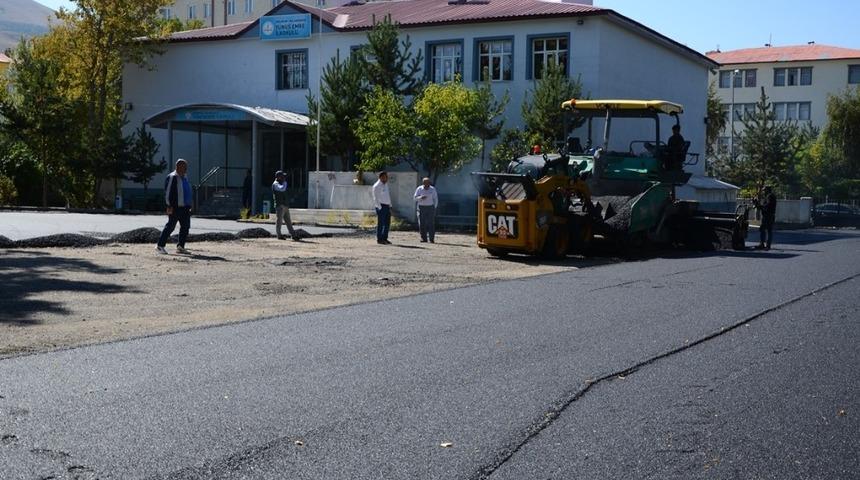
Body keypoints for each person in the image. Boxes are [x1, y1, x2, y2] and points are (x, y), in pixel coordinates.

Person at [156, 159, 192, 255]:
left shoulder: (185, 177)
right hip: (175, 207)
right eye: (184, 167)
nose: (186, 169)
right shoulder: (172, 177)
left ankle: (181, 247)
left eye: (186, 167)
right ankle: (160, 246)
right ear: (178, 166)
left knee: (185, 227)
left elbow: (187, 191)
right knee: (170, 226)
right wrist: (169, 205)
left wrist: (190, 204)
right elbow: (167, 193)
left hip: (185, 207)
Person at [272, 170, 298, 241]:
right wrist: (285, 183)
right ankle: (279, 235)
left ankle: (293, 235)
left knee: (288, 222)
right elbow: (282, 189)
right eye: (282, 176)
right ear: (278, 177)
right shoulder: (275, 184)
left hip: (285, 205)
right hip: (279, 206)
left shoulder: (281, 183)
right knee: (279, 221)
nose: (284, 178)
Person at [413, 177, 439, 243]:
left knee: (431, 224)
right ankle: (423, 238)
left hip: (430, 207)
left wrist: (434, 207)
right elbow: (415, 198)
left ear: (429, 183)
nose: (426, 184)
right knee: (422, 223)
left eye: (428, 182)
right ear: (423, 183)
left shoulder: (433, 189)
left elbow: (435, 199)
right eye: (425, 183)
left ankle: (431, 239)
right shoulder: (419, 189)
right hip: (421, 207)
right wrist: (420, 197)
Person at [372, 171, 392, 245]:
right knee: (381, 223)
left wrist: (390, 205)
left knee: (387, 223)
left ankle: (385, 238)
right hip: (381, 206)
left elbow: (387, 196)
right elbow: (375, 198)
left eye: (386, 177)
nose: (386, 178)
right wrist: (379, 208)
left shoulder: (385, 184)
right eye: (385, 177)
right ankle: (379, 239)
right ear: (380, 177)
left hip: (387, 206)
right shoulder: (376, 186)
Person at [756, 185, 777, 250]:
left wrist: (761, 206)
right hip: (769, 215)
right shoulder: (770, 196)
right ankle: (765, 244)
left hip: (768, 215)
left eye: (764, 190)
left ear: (767, 190)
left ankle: (765, 245)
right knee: (768, 230)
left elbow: (768, 205)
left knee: (764, 229)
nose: (763, 192)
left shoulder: (770, 196)